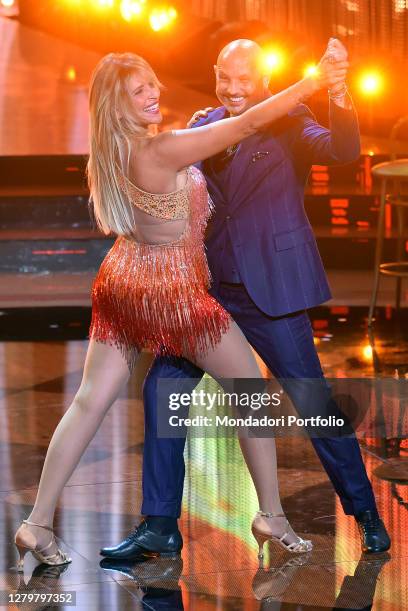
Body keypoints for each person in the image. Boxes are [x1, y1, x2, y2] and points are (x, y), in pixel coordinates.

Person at [13, 43, 341, 571]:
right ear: (115, 104)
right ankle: (272, 516)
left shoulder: (112, 148)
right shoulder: (161, 149)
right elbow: (244, 124)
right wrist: (314, 81)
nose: (154, 92)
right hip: (171, 293)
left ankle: (36, 524)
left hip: (121, 281)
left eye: (151, 82)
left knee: (89, 401)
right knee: (250, 391)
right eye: (138, 90)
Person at [100, 38, 391, 562]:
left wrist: (341, 96)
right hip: (207, 289)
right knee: (163, 391)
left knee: (313, 403)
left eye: (244, 80)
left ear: (267, 80)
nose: (233, 90)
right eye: (224, 78)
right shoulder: (203, 123)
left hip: (272, 288)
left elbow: (343, 152)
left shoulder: (292, 117)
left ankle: (366, 513)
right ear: (215, 74)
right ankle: (159, 525)